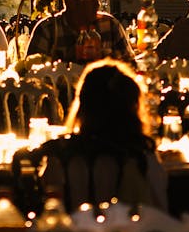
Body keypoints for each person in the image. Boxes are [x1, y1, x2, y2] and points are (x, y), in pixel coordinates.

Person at [22, 58, 167, 214]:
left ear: (83, 106)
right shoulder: (142, 159)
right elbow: (160, 213)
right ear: (132, 106)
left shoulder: (59, 158)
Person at [26, 0, 135, 67]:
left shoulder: (109, 25)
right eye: (91, 0)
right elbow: (32, 76)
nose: (97, 5)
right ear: (71, 2)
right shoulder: (48, 30)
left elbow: (130, 65)